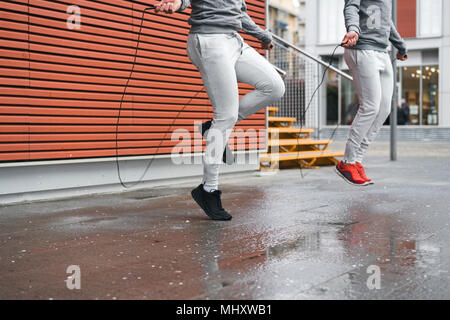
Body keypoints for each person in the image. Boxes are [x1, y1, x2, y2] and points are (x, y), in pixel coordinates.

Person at [155, 0, 285, 220]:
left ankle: (212, 128)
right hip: (208, 40)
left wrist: (262, 35)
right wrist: (176, 4)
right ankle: (208, 190)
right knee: (226, 116)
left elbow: (239, 13)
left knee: (274, 87)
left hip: (234, 40)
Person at [335, 0, 408, 186]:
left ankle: (357, 160)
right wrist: (353, 29)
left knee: (384, 108)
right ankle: (347, 162)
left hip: (382, 51)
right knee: (370, 106)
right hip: (361, 48)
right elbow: (351, 6)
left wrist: (401, 45)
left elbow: (387, 21)